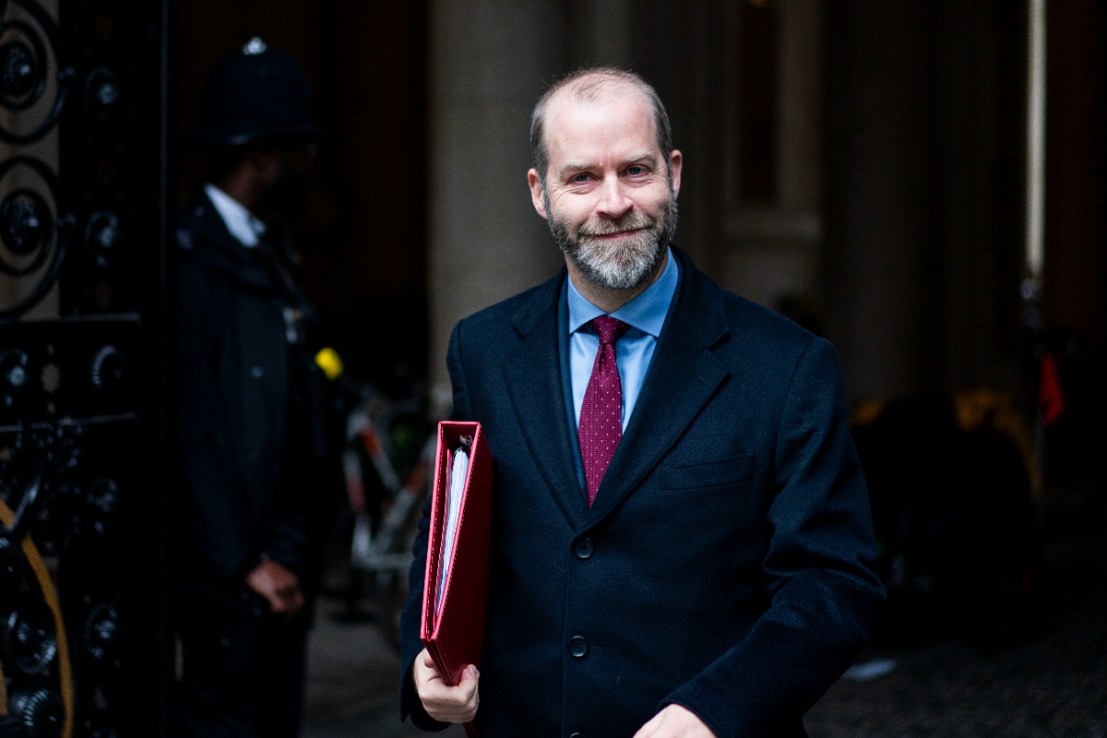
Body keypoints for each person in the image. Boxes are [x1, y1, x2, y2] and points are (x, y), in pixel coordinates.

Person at [399, 67, 885, 737]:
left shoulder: (785, 367)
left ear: (673, 172)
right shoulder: (483, 350)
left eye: (634, 171)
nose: (612, 203)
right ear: (540, 193)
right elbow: (449, 544)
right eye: (580, 178)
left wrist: (712, 713)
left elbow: (834, 583)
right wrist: (423, 666)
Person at [172, 37, 342, 738]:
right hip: (236, 581)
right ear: (260, 154)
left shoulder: (265, 252)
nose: (304, 165)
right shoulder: (192, 258)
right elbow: (193, 424)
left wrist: (295, 550)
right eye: (295, 150)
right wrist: (244, 562)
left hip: (282, 564)